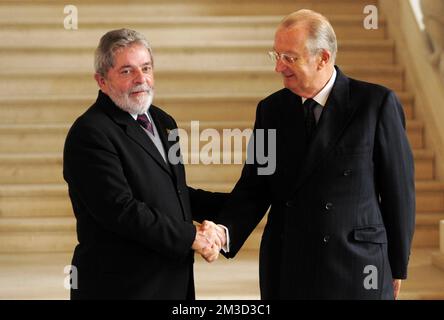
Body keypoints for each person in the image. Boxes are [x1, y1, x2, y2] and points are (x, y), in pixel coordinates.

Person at [215, 9, 416, 299]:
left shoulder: (376, 104)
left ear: (323, 57)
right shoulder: (271, 110)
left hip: (357, 266)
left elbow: (399, 193)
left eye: (289, 58)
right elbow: (254, 187)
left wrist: (397, 265)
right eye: (276, 56)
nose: (279, 67)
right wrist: (224, 232)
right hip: (287, 266)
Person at [63, 28, 226, 299]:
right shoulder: (90, 133)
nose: (141, 79)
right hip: (120, 288)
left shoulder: (164, 122)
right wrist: (192, 237)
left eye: (146, 68)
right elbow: (121, 211)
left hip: (172, 285)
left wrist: (236, 206)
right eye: (127, 71)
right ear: (101, 80)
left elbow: (175, 194)